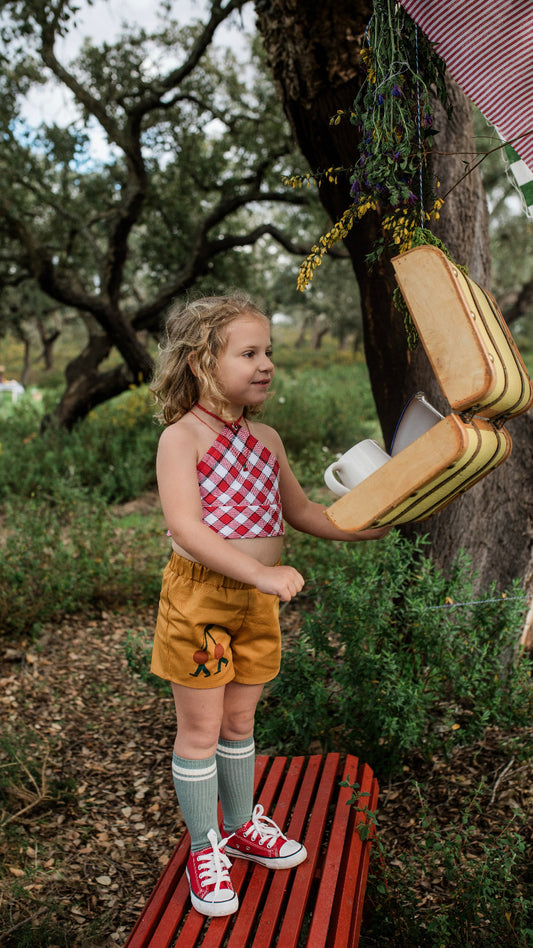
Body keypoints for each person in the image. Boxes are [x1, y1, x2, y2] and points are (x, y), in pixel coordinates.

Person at [149, 294, 388, 918]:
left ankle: (240, 827)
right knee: (200, 730)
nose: (265, 365)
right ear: (203, 363)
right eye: (249, 353)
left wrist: (364, 525)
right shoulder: (182, 438)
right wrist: (260, 571)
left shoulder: (266, 438)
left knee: (239, 724)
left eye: (268, 353)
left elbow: (303, 512)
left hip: (255, 601)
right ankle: (205, 845)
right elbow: (188, 529)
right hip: (202, 599)